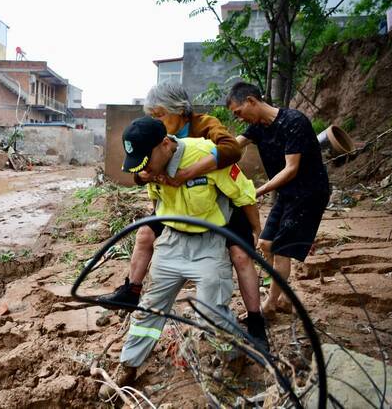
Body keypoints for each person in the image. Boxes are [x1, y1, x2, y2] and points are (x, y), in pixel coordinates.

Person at [99, 117, 260, 398]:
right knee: (149, 308)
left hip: (209, 243)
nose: (145, 170)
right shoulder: (150, 169)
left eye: (146, 163)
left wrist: (257, 232)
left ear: (165, 145)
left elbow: (244, 194)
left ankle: (233, 357)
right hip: (172, 242)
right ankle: (129, 363)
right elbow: (156, 199)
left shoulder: (205, 155)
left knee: (213, 310)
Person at [97, 83, 267, 344]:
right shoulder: (154, 134)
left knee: (241, 255)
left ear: (180, 111)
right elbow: (140, 168)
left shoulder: (205, 128)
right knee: (144, 234)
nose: (157, 121)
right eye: (153, 116)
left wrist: (187, 173)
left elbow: (232, 151)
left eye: (160, 115)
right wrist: (146, 174)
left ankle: (255, 321)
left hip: (215, 205)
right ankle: (131, 289)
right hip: (177, 208)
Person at [228, 82, 330, 318]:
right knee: (265, 244)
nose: (240, 118)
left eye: (238, 112)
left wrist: (256, 192)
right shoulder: (257, 127)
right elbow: (232, 147)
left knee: (282, 250)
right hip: (287, 193)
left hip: (309, 192)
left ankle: (270, 304)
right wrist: (202, 155)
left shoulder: (294, 122)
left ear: (251, 101)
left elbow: (291, 169)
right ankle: (284, 297)